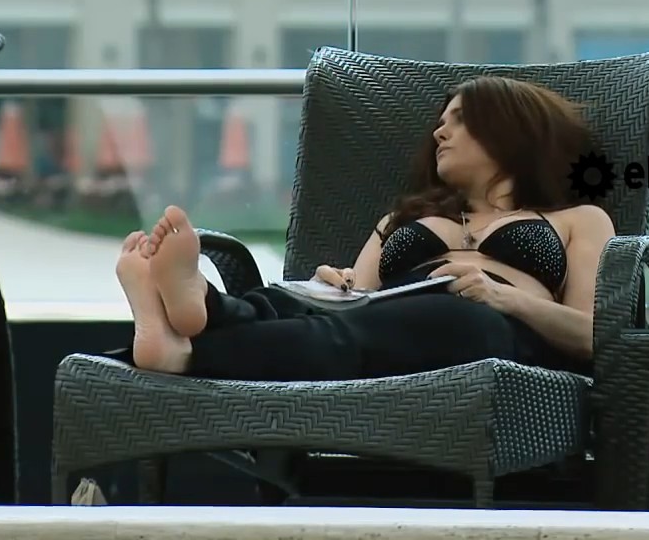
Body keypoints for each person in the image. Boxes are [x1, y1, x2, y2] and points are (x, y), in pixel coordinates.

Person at [112, 75, 617, 382]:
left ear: (510, 131)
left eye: (459, 119)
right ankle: (198, 307)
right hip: (380, 316)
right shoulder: (402, 219)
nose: (440, 131)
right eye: (442, 121)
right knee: (294, 304)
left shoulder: (578, 220)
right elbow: (362, 293)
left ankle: (185, 347)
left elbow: (596, 336)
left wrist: (505, 298)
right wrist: (340, 282)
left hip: (486, 330)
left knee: (410, 326)